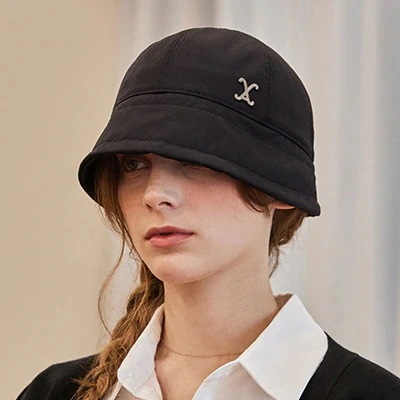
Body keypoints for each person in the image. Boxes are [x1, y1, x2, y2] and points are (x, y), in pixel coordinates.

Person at [16, 27, 400, 400]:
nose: (154, 195)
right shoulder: (55, 392)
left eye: (197, 160)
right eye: (133, 164)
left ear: (278, 187)